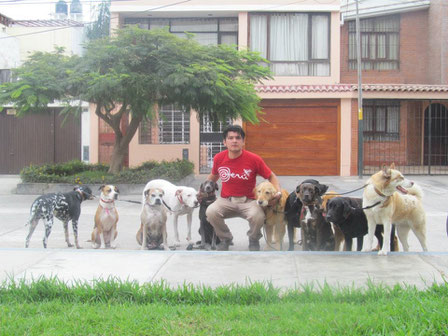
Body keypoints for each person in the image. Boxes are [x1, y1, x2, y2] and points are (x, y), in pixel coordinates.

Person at [205, 124, 282, 251]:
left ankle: (253, 239)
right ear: (225, 142)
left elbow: (271, 176)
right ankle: (225, 238)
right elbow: (213, 176)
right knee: (211, 212)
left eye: (238, 138)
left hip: (249, 201)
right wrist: (201, 191)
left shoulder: (254, 159)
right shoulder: (219, 158)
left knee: (258, 216)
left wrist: (277, 192)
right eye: (230, 138)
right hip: (226, 200)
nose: (234, 140)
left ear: (243, 141)